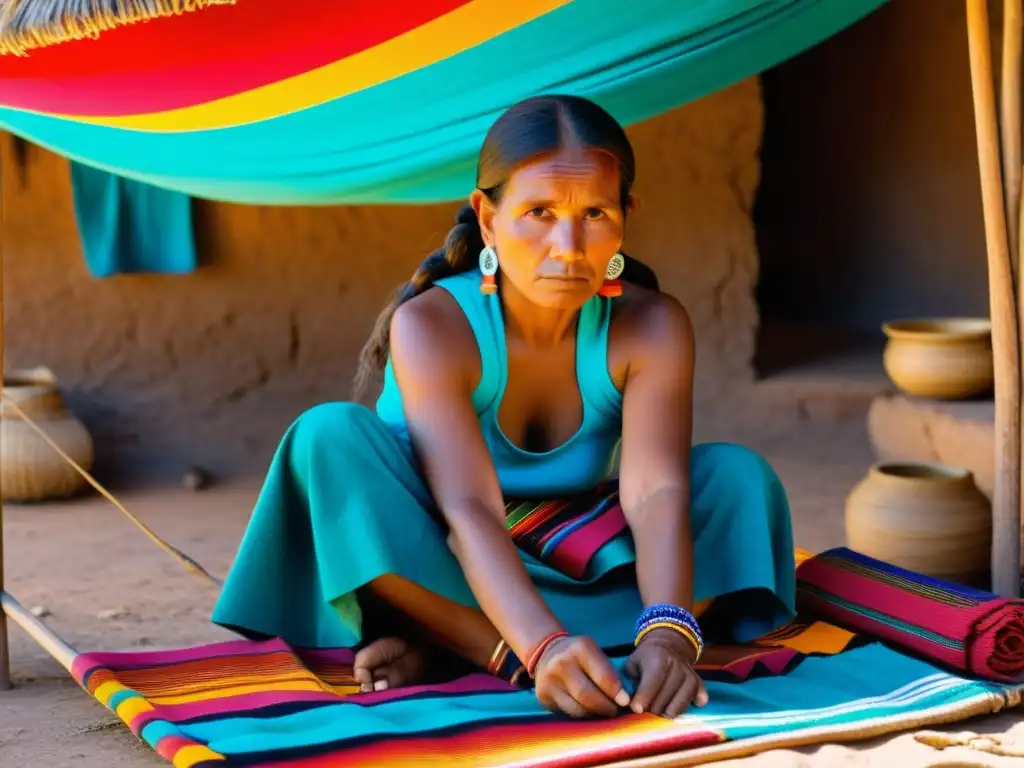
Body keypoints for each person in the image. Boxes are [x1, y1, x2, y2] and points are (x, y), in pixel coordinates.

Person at [212, 94, 796, 720]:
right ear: (488, 219)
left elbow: (654, 492)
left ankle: (484, 647)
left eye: (594, 212)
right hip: (446, 552)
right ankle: (507, 653)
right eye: (538, 212)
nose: (568, 245)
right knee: (326, 438)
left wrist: (669, 635)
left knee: (737, 479)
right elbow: (469, 508)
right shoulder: (432, 325)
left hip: (584, 549)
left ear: (627, 216)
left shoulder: (650, 324)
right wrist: (539, 646)